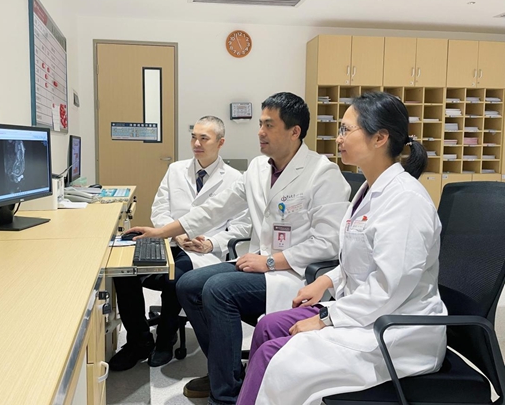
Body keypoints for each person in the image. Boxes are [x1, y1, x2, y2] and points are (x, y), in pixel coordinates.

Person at [127, 92, 350, 404]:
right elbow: (215, 209)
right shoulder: (258, 168)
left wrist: (271, 262)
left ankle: (225, 394)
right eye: (260, 124)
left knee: (218, 290)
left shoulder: (322, 173)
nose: (260, 132)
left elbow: (329, 242)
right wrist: (161, 231)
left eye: (269, 125)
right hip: (258, 263)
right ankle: (226, 370)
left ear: (294, 131)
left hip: (296, 273)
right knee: (188, 285)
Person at [236, 91, 447, 405]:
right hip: (364, 312)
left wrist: (324, 319)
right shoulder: (368, 189)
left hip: (396, 329)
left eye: (347, 130)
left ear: (380, 138)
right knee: (268, 326)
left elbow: (387, 288)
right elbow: (358, 259)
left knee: (273, 354)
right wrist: (326, 280)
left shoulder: (406, 200)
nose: (339, 138)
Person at [110, 116, 250, 371]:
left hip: (203, 253)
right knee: (124, 271)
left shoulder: (235, 179)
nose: (196, 143)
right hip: (170, 243)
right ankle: (139, 341)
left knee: (176, 279)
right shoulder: (176, 170)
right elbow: (160, 209)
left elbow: (241, 227)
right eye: (193, 137)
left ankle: (166, 338)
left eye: (204, 138)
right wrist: (175, 234)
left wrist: (210, 243)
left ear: (220, 142)